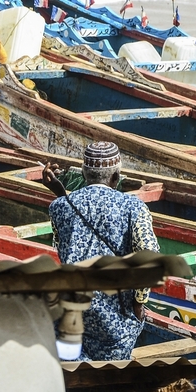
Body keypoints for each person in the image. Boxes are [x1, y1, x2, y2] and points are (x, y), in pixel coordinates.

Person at [44, 141, 159, 361]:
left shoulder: (58, 206)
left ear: (85, 174)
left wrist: (60, 193)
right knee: (112, 363)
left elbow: (64, 248)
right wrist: (138, 302)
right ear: (116, 177)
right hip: (114, 324)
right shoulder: (133, 207)